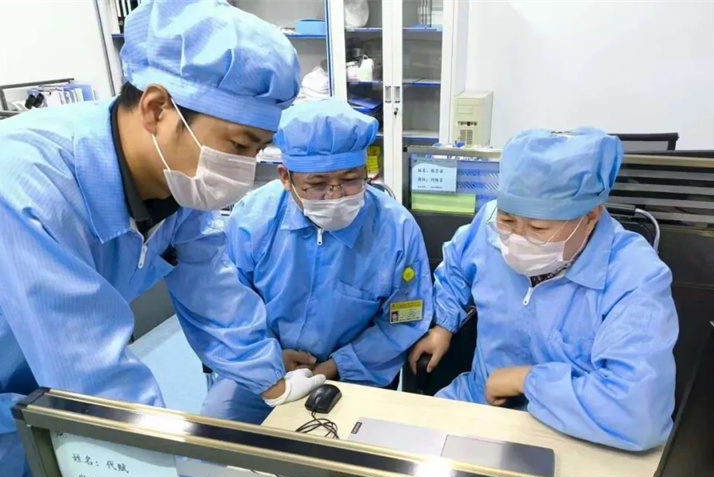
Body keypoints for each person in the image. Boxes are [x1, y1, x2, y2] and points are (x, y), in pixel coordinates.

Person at [0, 1, 323, 477]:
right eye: (239, 143)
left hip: (40, 389)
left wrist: (272, 382)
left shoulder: (174, 182)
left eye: (258, 149)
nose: (244, 168)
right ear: (157, 108)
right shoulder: (24, 182)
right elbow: (93, 372)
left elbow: (213, 289)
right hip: (24, 380)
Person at [409, 128, 678, 451]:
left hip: (572, 431)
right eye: (508, 221)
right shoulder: (489, 225)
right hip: (478, 403)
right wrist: (444, 324)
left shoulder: (634, 277)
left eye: (538, 228)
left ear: (591, 216)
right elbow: (455, 267)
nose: (517, 238)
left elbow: (637, 413)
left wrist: (526, 380)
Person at [201, 98, 433, 425]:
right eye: (317, 185)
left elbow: (403, 320)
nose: (335, 196)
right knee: (214, 432)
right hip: (263, 364)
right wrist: (269, 358)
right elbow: (230, 304)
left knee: (347, 451)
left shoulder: (396, 230)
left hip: (353, 373)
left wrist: (334, 367)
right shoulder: (253, 220)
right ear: (286, 178)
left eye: (350, 180)